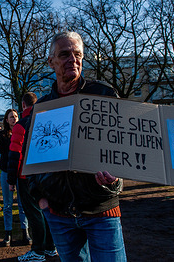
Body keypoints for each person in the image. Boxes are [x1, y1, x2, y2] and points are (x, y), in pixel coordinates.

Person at [27, 32, 126, 261]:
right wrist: (40, 197)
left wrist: (116, 179)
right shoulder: (41, 107)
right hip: (58, 213)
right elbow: (30, 157)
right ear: (51, 61)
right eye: (64, 54)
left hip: (101, 209)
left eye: (77, 54)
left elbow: (122, 148)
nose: (73, 59)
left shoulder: (103, 94)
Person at [8, 92, 57, 261]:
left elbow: (15, 155)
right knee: (46, 212)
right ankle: (50, 247)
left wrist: (10, 180)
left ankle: (38, 250)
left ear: (22, 105)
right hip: (47, 175)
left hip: (26, 177)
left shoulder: (20, 125)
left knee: (34, 213)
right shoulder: (45, 122)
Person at [0, 108, 30, 247]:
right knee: (8, 205)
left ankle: (25, 232)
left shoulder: (24, 130)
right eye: (11, 116)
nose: (14, 118)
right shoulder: (1, 135)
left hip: (21, 172)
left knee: (22, 204)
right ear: (6, 119)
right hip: (6, 171)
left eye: (16, 116)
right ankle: (8, 234)